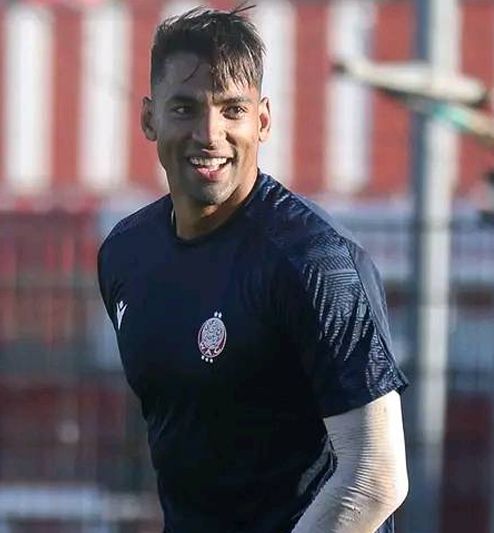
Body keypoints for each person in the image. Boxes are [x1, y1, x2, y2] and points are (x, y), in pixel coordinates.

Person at [97, 5, 409, 533]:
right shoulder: (125, 255)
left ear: (262, 121)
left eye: (232, 110)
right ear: (149, 119)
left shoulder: (314, 261)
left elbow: (376, 475)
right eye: (185, 109)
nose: (210, 133)